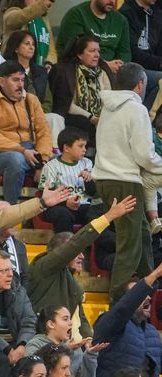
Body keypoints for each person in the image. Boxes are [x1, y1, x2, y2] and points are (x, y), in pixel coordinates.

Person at [93, 62, 162, 295]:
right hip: (124, 180)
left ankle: (147, 295)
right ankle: (118, 307)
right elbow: (144, 155)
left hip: (105, 178)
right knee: (130, 247)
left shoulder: (108, 107)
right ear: (140, 84)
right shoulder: (136, 109)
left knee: (142, 239)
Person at [26, 197, 136, 339]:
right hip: (41, 342)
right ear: (61, 251)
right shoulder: (44, 266)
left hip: (67, 346)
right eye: (77, 253)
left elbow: (81, 319)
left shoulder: (74, 284)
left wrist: (89, 341)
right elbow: (76, 244)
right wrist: (108, 217)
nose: (82, 257)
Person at [0, 61, 53, 204]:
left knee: (60, 160)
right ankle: (10, 211)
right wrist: (22, 150)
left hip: (31, 152)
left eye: (22, 80)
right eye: (15, 80)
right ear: (1, 81)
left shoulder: (31, 100)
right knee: (16, 160)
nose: (20, 85)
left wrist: (42, 162)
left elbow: (44, 132)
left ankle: (49, 211)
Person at [90, 262, 162, 377]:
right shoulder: (109, 322)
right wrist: (154, 275)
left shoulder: (152, 332)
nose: (148, 297)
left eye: (147, 294)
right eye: (140, 294)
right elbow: (123, 309)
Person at [49, 35, 113, 147]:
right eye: (92, 51)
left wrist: (103, 117)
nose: (97, 55)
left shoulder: (102, 72)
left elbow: (109, 98)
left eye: (98, 51)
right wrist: (91, 117)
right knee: (85, 124)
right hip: (75, 117)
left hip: (100, 117)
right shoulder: (66, 72)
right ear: (79, 54)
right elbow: (67, 105)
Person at [27, 309, 106, 377]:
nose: (71, 323)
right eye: (65, 319)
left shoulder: (74, 348)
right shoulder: (34, 344)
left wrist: (90, 356)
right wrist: (64, 349)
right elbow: (33, 374)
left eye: (70, 319)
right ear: (51, 324)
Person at [37, 127, 97, 232]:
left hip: (82, 206)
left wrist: (88, 180)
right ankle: (64, 246)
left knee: (95, 212)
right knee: (63, 214)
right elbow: (45, 195)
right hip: (59, 207)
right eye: (80, 146)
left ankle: (92, 247)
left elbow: (92, 193)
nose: (85, 150)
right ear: (66, 148)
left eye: (85, 146)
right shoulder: (51, 167)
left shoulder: (87, 163)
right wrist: (65, 203)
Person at [57, 0, 131, 74]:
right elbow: (77, 51)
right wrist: (105, 65)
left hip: (113, 74)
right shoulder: (76, 15)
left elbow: (125, 53)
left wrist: (120, 66)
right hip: (78, 72)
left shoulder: (121, 20)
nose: (112, 1)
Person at [118, 0, 162, 105]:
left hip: (154, 67)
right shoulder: (125, 13)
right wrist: (160, 63)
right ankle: (144, 117)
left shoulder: (157, 13)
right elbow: (133, 53)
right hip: (133, 67)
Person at [0, 0, 57, 71]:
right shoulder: (11, 13)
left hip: (38, 73)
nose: (38, 1)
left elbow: (51, 49)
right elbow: (23, 16)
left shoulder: (44, 20)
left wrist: (49, 63)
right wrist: (43, 4)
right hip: (14, 71)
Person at [0, 201, 29, 282]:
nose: (13, 221)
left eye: (13, 216)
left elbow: (25, 278)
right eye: (7, 217)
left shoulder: (19, 246)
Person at [2, 31, 48, 100]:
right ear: (16, 48)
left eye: (33, 44)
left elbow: (48, 101)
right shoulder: (6, 70)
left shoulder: (41, 72)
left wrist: (39, 110)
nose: (31, 47)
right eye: (27, 44)